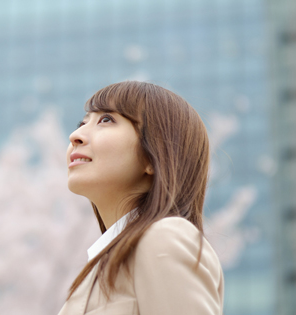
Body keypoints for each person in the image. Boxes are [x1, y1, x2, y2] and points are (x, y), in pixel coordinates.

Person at [58, 81, 224, 315]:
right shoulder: (96, 270)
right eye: (82, 123)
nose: (75, 135)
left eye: (106, 120)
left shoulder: (164, 237)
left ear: (152, 156)